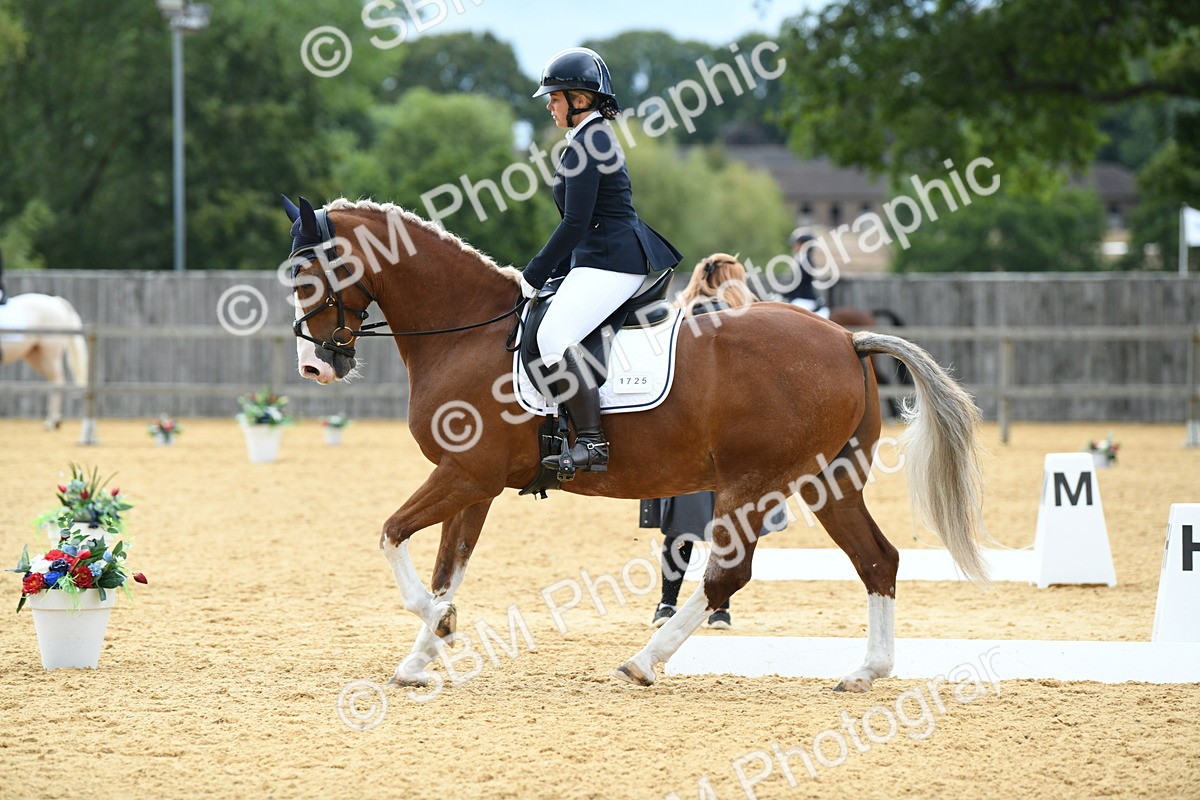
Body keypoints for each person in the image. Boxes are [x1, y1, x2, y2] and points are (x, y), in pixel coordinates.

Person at [520, 47, 682, 474]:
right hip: (600, 258)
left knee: (553, 336)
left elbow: (575, 224)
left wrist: (534, 272)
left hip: (613, 261)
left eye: (555, 99)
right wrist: (553, 272)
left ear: (580, 99)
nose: (550, 107)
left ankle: (592, 442)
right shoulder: (588, 140)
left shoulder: (589, 143)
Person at [640, 254, 787, 629]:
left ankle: (666, 604)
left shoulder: (678, 316)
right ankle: (720, 608)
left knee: (680, 527)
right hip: (732, 434)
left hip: (682, 432)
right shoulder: (745, 323)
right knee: (734, 523)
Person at [782, 228, 830, 318]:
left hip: (804, 299)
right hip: (799, 297)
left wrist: (785, 293)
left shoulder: (806, 261)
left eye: (797, 244)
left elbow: (799, 283)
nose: (794, 246)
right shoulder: (799, 259)